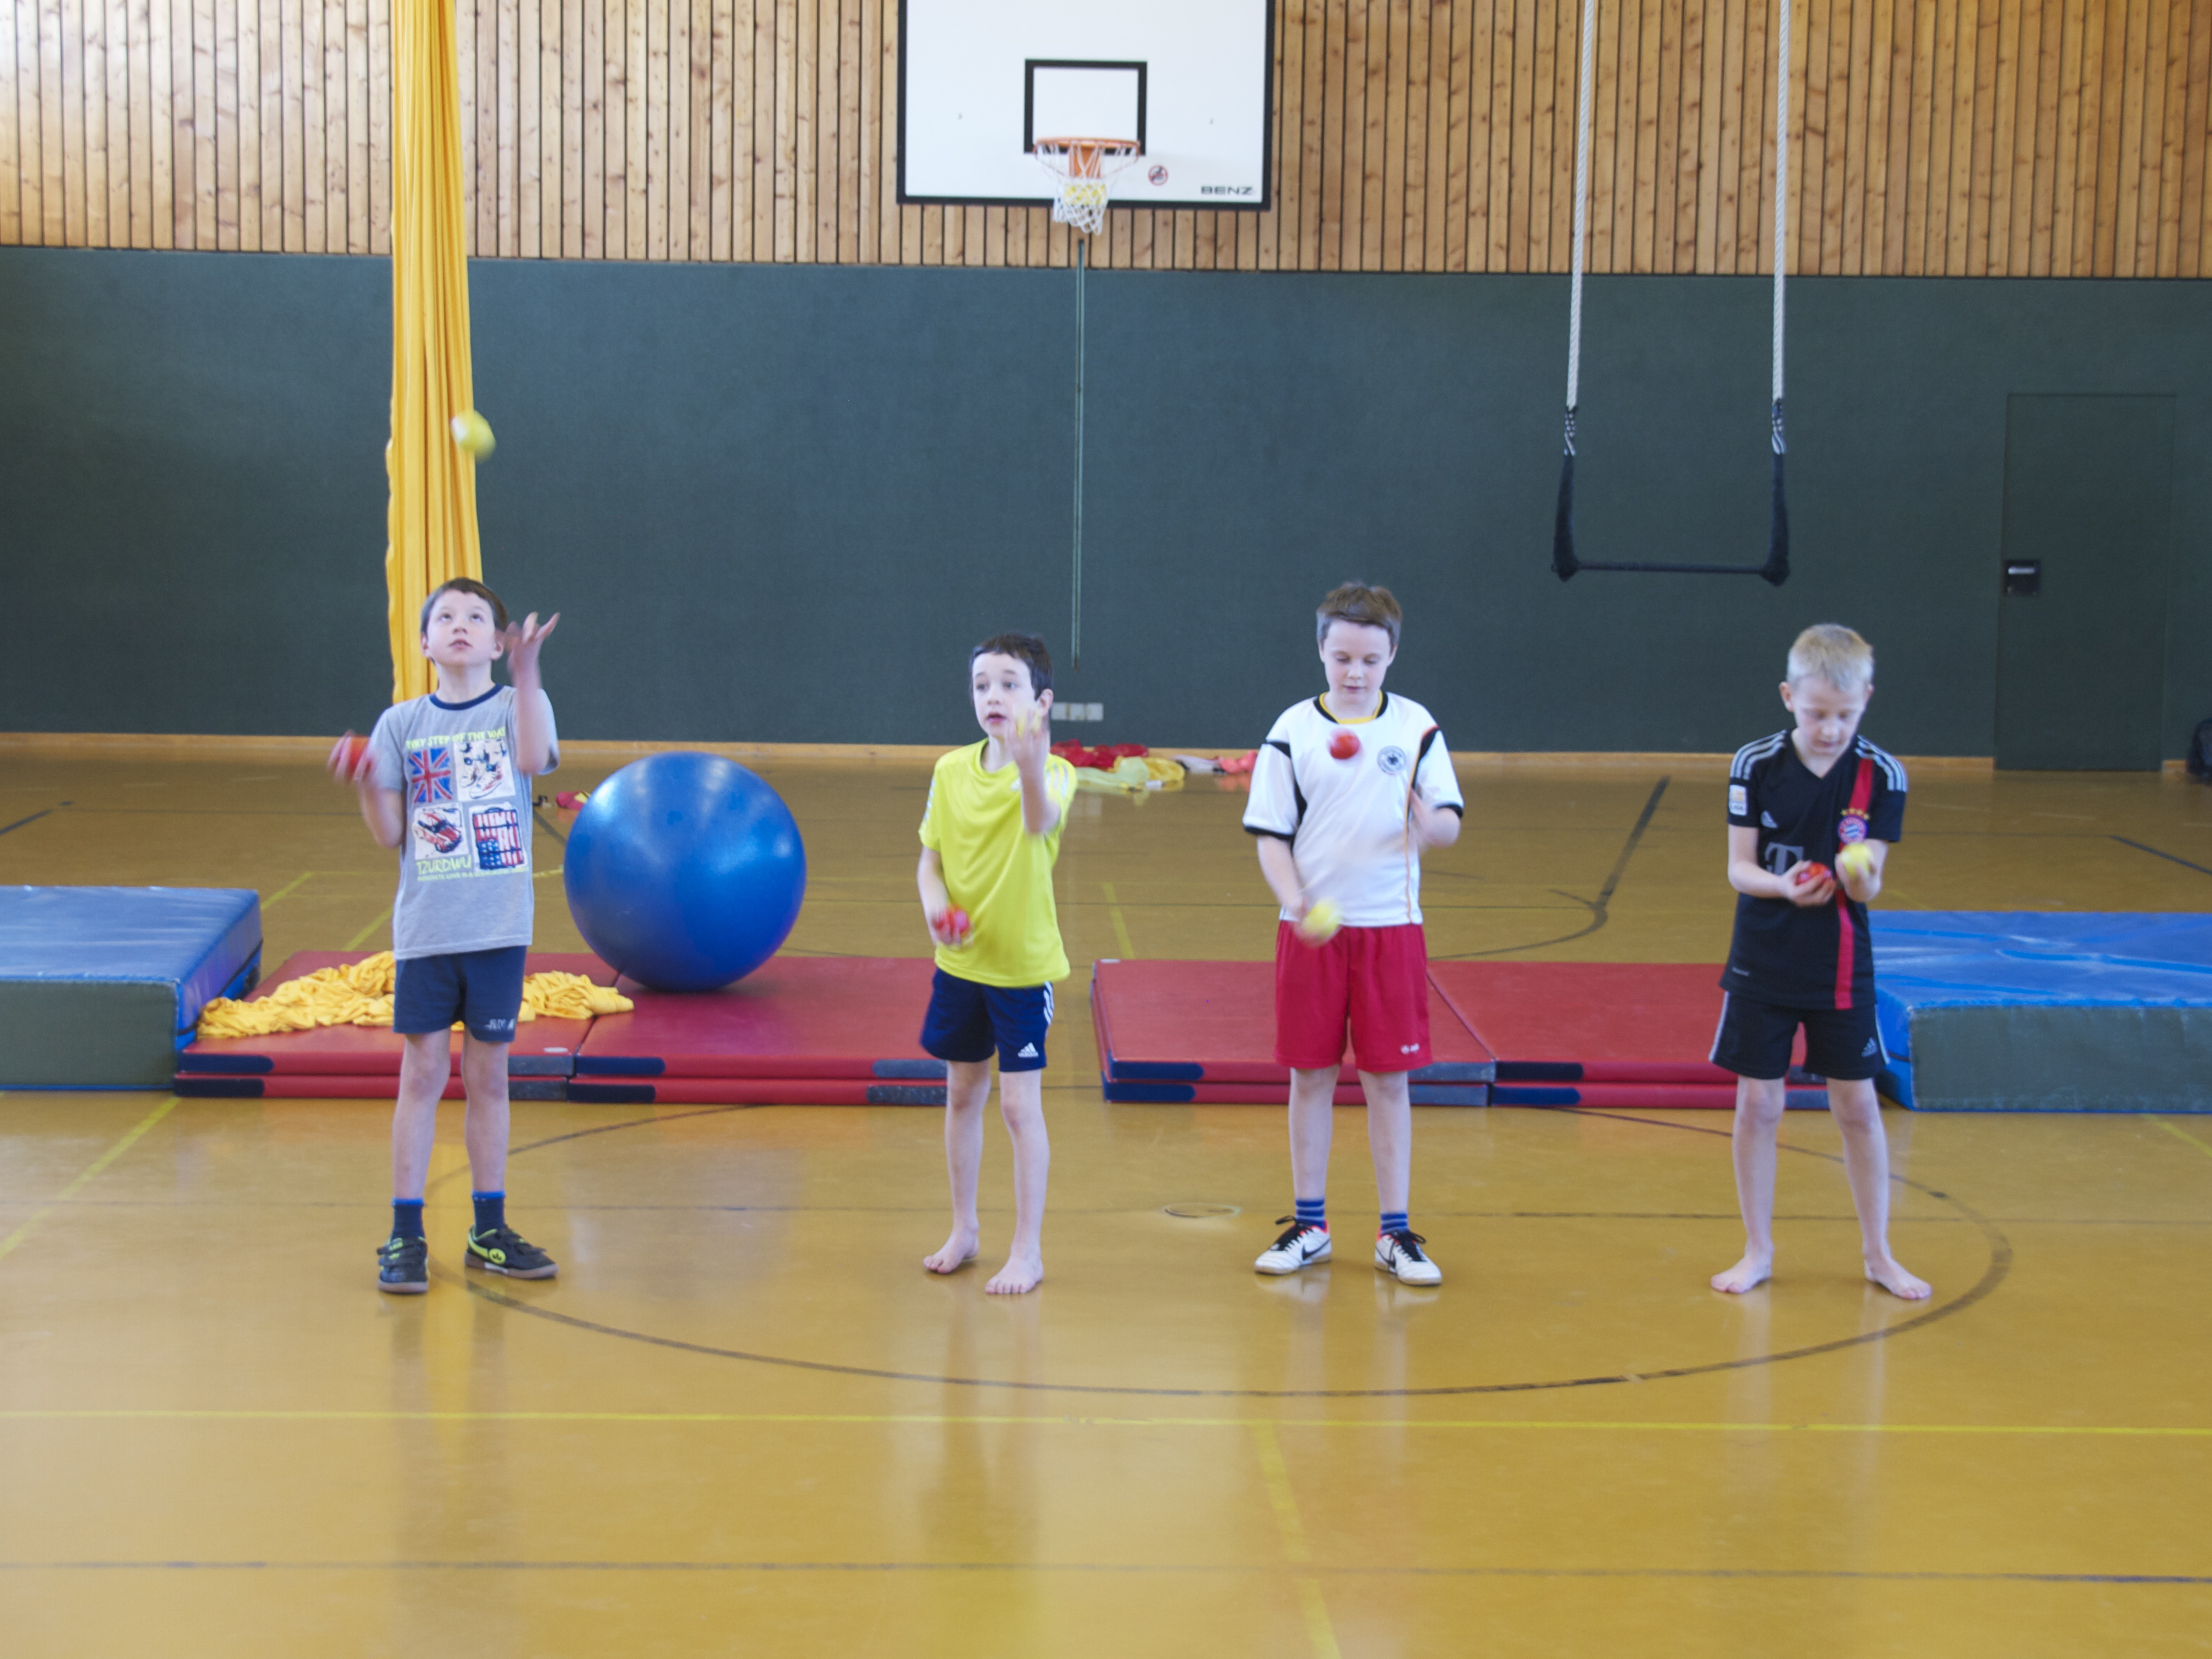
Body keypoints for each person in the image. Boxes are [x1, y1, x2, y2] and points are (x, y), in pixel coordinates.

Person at [330, 578, 563, 1295]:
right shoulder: (401, 724)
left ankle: (488, 1231)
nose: (460, 624)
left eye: (476, 617)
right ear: (425, 643)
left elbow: (532, 759)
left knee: (488, 1078)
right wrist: (367, 781)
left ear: (497, 643)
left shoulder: (516, 705)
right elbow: (390, 834)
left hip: (497, 929)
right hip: (428, 932)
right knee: (423, 1073)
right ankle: (405, 1233)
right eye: (445, 617)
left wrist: (528, 671)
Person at [1244, 583, 1464, 1286]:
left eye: (1370, 659)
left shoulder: (1417, 727)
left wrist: (1432, 826)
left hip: (1390, 930)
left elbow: (1448, 822)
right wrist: (1296, 901)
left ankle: (1395, 1234)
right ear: (1321, 651)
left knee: (1387, 1083)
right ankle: (1309, 1226)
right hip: (1309, 933)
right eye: (1342, 658)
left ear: (1392, 654)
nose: (1355, 673)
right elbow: (1271, 838)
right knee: (1309, 1076)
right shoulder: (1292, 730)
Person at [1710, 623, 1929, 1300]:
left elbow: (1867, 888)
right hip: (1763, 958)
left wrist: (1857, 874)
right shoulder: (1755, 764)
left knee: (1858, 1105)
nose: (1831, 729)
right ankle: (1758, 1250)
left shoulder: (1882, 775)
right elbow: (1740, 869)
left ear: (1867, 699)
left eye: (1845, 715)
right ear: (1788, 697)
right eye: (1816, 714)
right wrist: (1785, 887)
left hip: (1841, 964)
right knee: (1759, 1103)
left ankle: (1878, 1254)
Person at [914, 632, 1079, 1295]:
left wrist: (1030, 767)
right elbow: (929, 861)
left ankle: (1027, 1251)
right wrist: (936, 909)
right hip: (961, 967)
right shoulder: (950, 771)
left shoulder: (1056, 773)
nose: (993, 696)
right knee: (962, 1094)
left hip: (1021, 972)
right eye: (982, 684)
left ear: (1041, 702)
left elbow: (1039, 822)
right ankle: (965, 1229)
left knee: (1017, 1106)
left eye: (1010, 684)